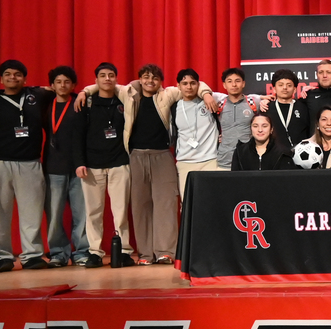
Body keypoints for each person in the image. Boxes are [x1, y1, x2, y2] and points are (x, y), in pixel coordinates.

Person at [78, 64, 215, 266]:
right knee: (140, 206)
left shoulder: (167, 94)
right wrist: (84, 91)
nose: (150, 81)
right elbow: (105, 84)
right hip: (136, 157)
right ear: (140, 79)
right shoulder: (128, 93)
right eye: (146, 77)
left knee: (166, 204)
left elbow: (193, 84)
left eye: (155, 78)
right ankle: (145, 253)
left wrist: (207, 95)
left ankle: (165, 251)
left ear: (161, 81)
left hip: (162, 155)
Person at [0, 60, 50, 272]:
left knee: (32, 213)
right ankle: (2, 256)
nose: (13, 78)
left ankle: (32, 255)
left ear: (25, 78)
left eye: (18, 74)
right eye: (8, 74)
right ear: (1, 79)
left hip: (30, 163)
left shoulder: (36, 96)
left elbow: (62, 90)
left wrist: (85, 92)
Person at [73, 62, 136, 268]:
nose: (107, 79)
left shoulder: (123, 100)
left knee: (120, 211)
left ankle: (124, 251)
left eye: (111, 75)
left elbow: (133, 87)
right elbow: (78, 135)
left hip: (119, 162)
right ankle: (95, 252)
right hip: (92, 165)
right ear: (96, 80)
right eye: (102, 75)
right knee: (93, 211)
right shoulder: (86, 103)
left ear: (116, 79)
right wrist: (80, 162)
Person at [43, 65, 89, 267]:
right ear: (52, 85)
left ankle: (82, 251)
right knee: (54, 214)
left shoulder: (81, 103)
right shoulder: (44, 104)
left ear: (74, 85)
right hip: (53, 166)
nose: (63, 85)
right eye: (58, 82)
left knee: (82, 214)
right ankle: (58, 252)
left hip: (79, 167)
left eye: (67, 82)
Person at [171, 68, 221, 198]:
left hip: (210, 160)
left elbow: (238, 97)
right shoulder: (173, 106)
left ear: (198, 85)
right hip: (185, 162)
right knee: (187, 204)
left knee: (211, 201)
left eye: (193, 83)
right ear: (178, 86)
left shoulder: (211, 100)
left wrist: (262, 98)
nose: (189, 87)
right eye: (185, 83)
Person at [213, 67, 269, 170]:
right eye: (229, 81)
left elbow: (274, 99)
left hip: (248, 160)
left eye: (237, 81)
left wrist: (265, 100)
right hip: (224, 161)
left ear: (243, 83)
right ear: (224, 85)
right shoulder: (218, 103)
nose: (234, 85)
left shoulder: (253, 102)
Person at [231, 112, 297, 171]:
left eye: (264, 126)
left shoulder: (283, 153)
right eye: (255, 126)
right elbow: (235, 180)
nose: (260, 130)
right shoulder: (240, 152)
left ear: (271, 129)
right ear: (251, 129)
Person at [266, 69, 310, 149]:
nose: (285, 88)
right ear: (274, 88)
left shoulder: (304, 107)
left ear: (295, 89)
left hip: (301, 155)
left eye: (289, 85)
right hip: (275, 156)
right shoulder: (266, 108)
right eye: (280, 85)